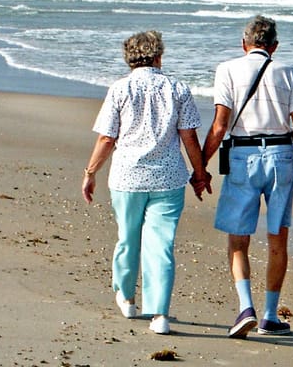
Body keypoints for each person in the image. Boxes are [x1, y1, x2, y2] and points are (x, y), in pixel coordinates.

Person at [81, 30, 211, 335]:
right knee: (161, 246)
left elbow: (107, 138)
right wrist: (200, 173)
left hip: (127, 178)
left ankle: (126, 297)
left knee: (127, 239)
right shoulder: (178, 89)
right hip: (168, 179)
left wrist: (90, 173)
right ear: (159, 56)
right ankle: (159, 315)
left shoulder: (119, 89)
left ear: (129, 58)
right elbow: (189, 137)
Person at [201, 15, 293, 338]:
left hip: (242, 156)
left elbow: (220, 125)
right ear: (274, 46)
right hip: (281, 157)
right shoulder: (291, 74)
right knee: (277, 238)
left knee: (238, 239)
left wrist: (201, 167)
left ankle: (244, 307)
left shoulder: (227, 69)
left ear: (244, 43)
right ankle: (269, 315)